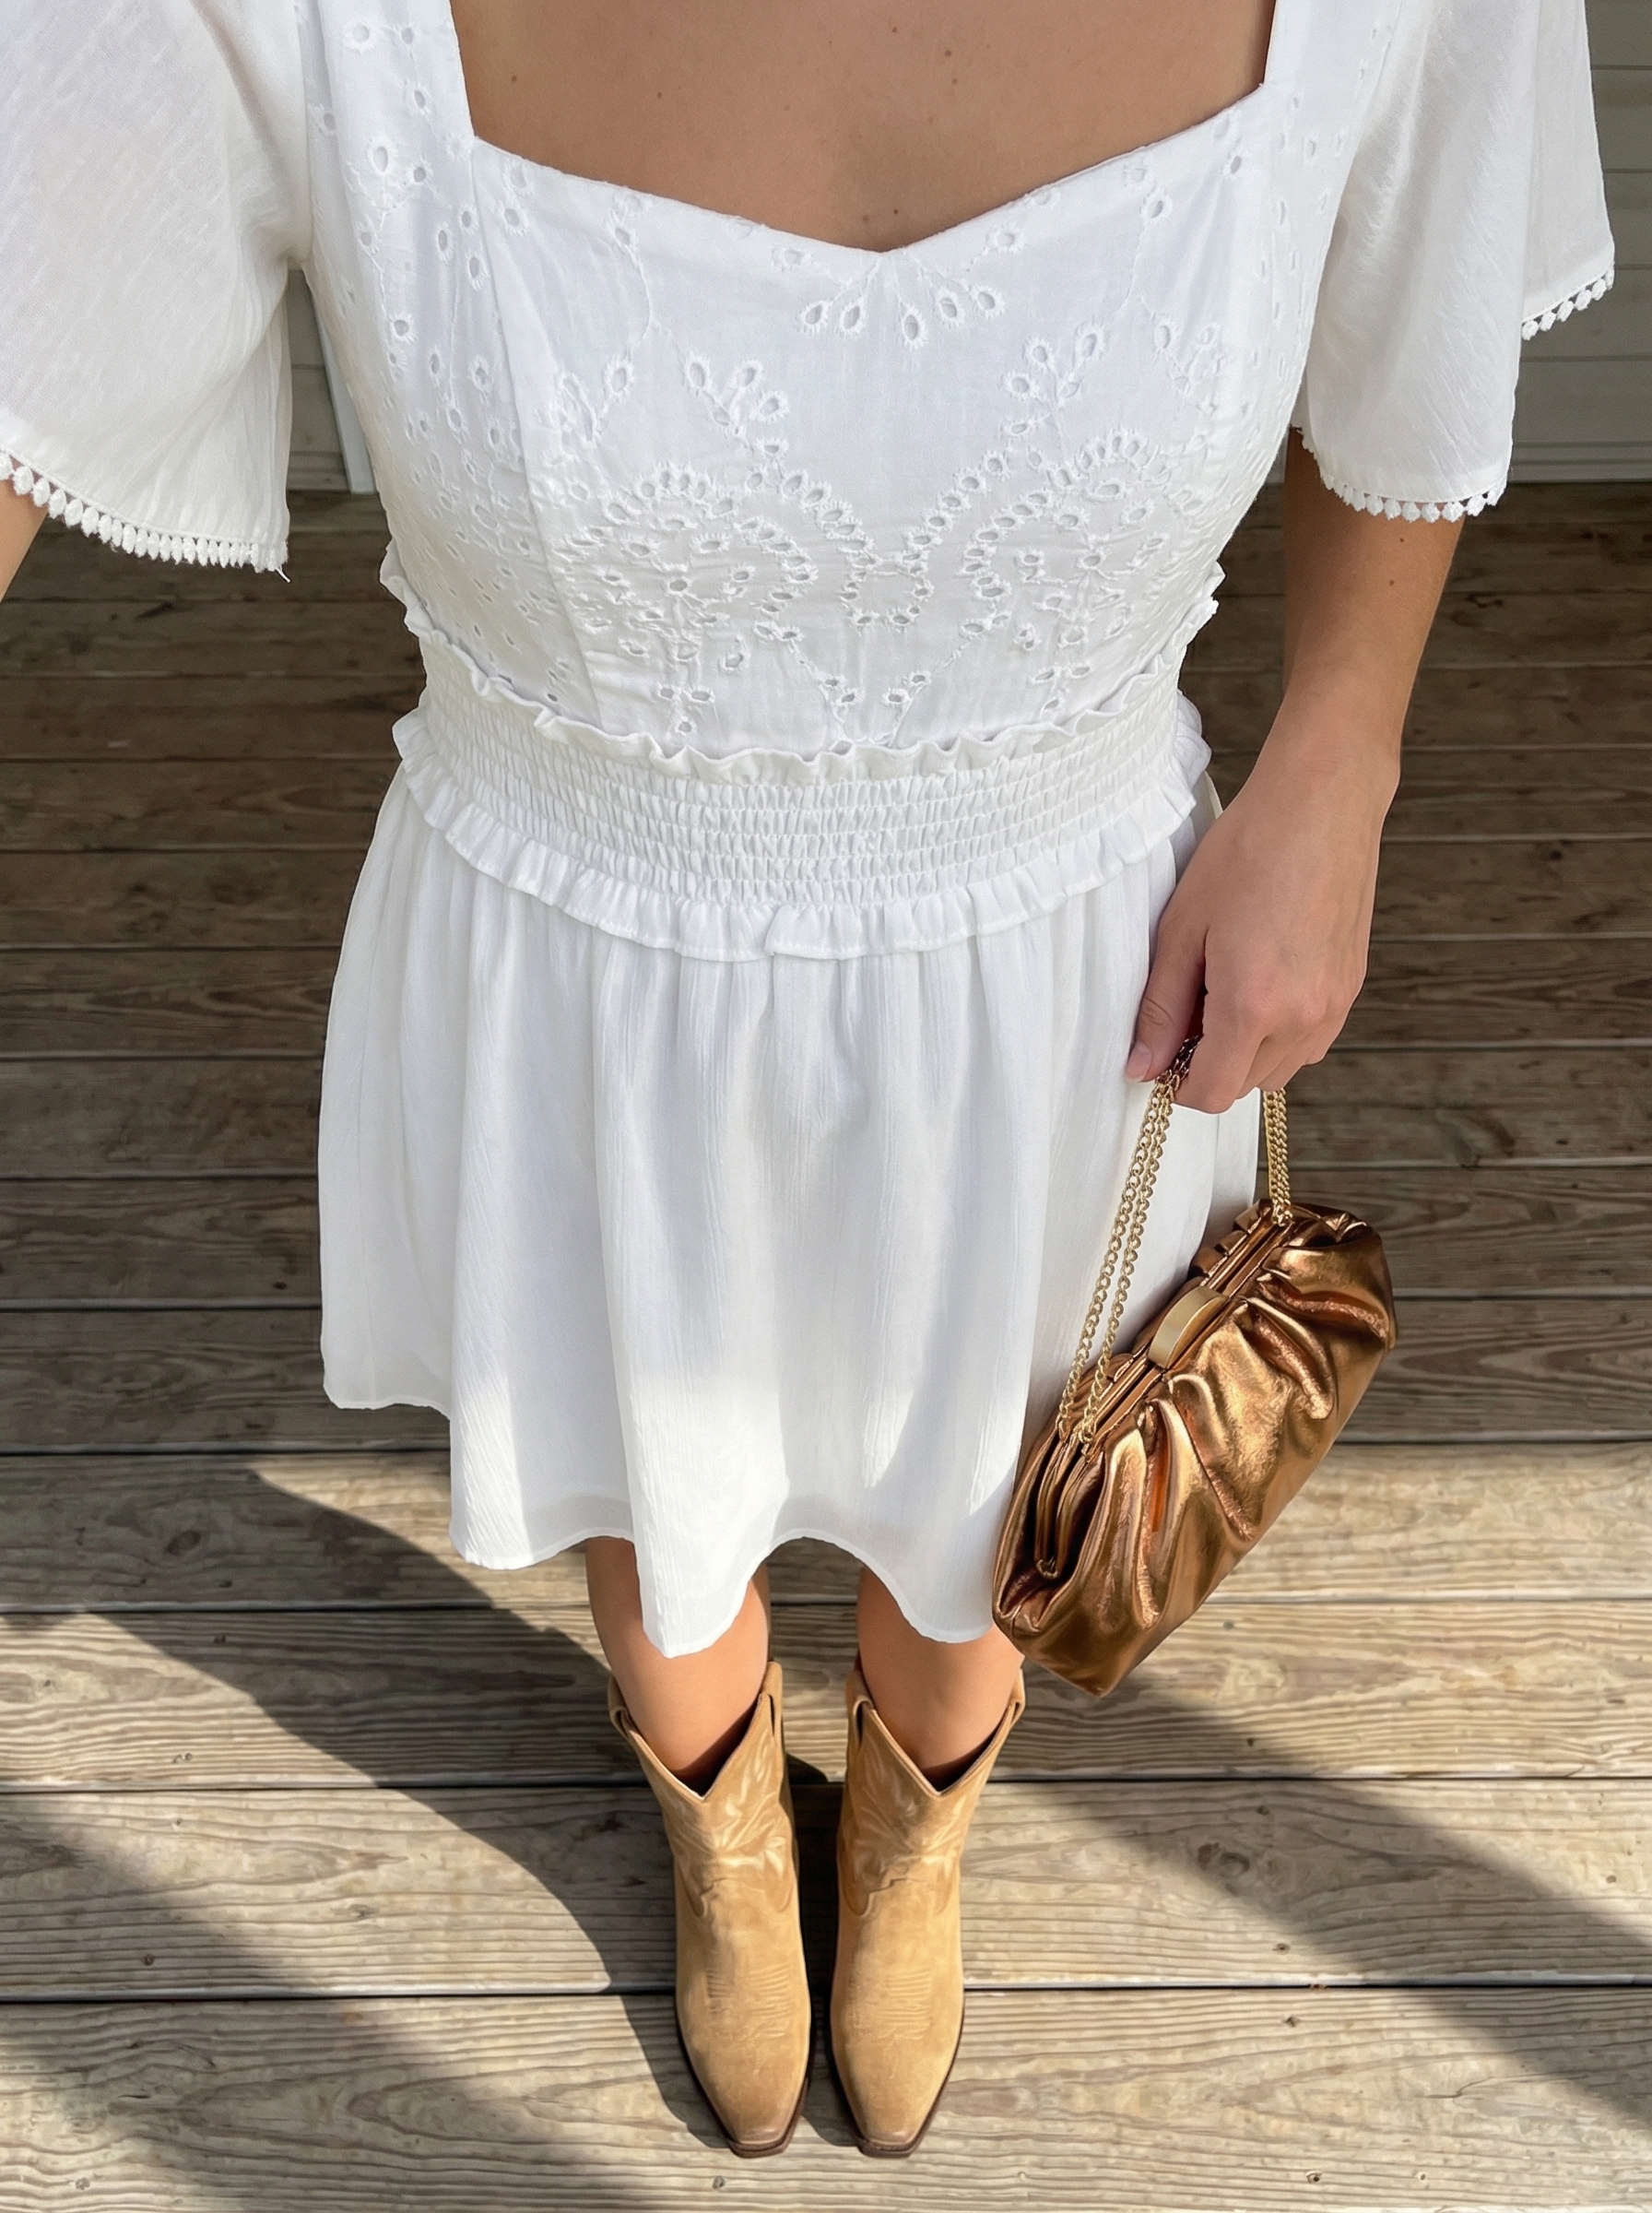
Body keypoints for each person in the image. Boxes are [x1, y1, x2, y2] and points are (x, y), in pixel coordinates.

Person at [0, 0, 1612, 2162]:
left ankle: (918, 1828)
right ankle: (727, 1828)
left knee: (995, 1513)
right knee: (651, 1478)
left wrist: (1339, 755)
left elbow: (1415, 304)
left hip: (1078, 968)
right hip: (584, 958)